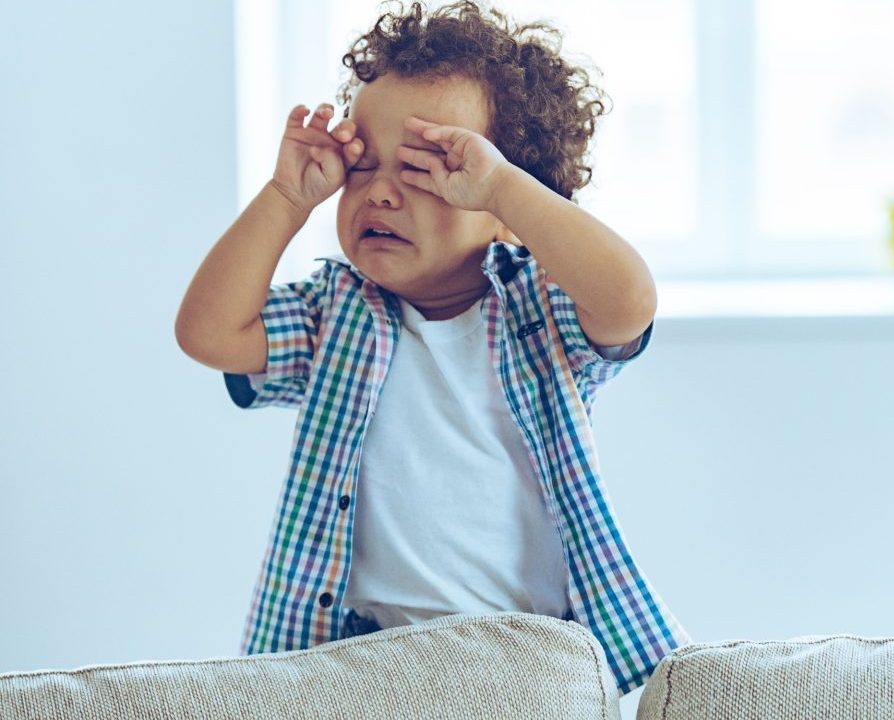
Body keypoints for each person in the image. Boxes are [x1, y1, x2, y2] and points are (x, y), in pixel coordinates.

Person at [175, 0, 688, 694]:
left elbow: (631, 301)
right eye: (364, 166)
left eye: (427, 168)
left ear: (507, 212)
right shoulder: (336, 314)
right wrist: (286, 198)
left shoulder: (543, 314)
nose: (381, 193)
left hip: (529, 657)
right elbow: (207, 333)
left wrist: (506, 187)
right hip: (359, 660)